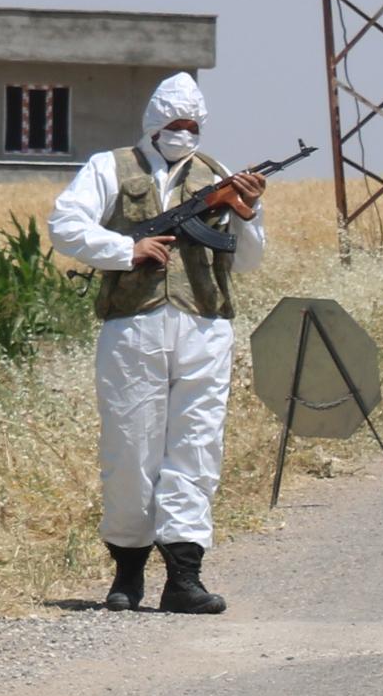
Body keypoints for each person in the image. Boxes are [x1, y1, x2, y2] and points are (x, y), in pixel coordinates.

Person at [47, 72, 269, 614]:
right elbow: (64, 226)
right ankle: (127, 573)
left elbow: (248, 260)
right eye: (174, 124)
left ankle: (184, 577)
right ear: (153, 124)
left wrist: (250, 213)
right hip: (133, 326)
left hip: (205, 324)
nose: (183, 133)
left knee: (196, 448)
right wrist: (129, 249)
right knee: (130, 450)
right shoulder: (110, 168)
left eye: (192, 125)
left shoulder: (217, 176)